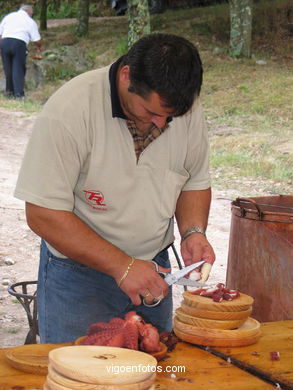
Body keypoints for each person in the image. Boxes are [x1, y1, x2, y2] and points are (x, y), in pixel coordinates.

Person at [14, 33, 215, 343]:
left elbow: (194, 181)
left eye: (170, 117)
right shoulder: (70, 110)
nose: (162, 124)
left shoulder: (180, 108)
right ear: (127, 76)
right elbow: (42, 213)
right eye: (151, 112)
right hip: (78, 274)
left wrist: (193, 232)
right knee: (79, 375)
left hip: (154, 269)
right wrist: (122, 266)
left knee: (154, 374)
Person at [0, 4, 42, 98]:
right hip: (19, 43)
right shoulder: (30, 21)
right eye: (32, 14)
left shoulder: (9, 16)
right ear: (29, 13)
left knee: (8, 69)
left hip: (5, 42)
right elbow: (36, 40)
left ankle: (9, 93)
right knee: (18, 69)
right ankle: (19, 94)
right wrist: (40, 46)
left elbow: (0, 33)